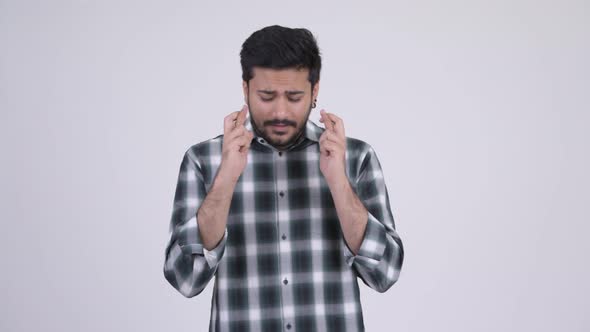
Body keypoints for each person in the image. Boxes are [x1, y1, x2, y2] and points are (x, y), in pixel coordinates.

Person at [163, 25, 404, 332]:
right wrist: (225, 179)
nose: (280, 111)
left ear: (315, 91)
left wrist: (338, 183)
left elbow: (385, 273)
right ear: (245, 90)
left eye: (294, 97)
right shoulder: (204, 161)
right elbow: (185, 279)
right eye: (266, 96)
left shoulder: (355, 158)